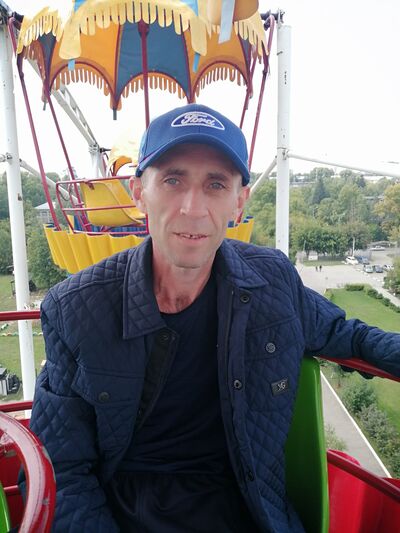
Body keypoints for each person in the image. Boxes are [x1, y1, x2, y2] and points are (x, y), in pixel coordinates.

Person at [26, 103, 400, 533]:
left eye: (216, 184)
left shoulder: (271, 280)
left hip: (251, 508)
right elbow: (62, 469)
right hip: (128, 516)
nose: (193, 208)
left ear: (239, 202)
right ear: (138, 192)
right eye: (173, 180)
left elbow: (343, 333)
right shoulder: (76, 309)